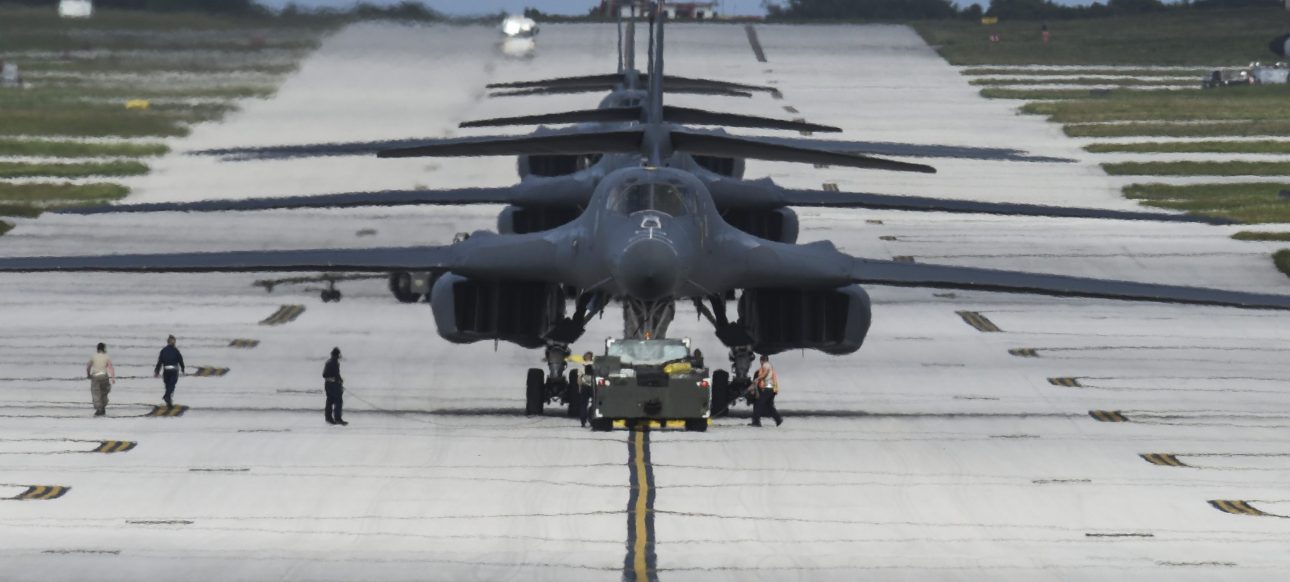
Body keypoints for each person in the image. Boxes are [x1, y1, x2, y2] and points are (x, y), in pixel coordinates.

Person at [749, 354, 782, 427]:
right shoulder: (770, 367)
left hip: (767, 388)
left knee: (758, 404)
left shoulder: (765, 367)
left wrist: (756, 384)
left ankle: (756, 422)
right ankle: (778, 419)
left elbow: (762, 377)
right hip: (772, 388)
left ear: (761, 361)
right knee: (769, 405)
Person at [153, 335, 185, 407]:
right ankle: (167, 397)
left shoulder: (163, 350)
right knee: (171, 386)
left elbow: (160, 362)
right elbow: (180, 360)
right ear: (173, 342)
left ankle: (169, 402)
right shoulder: (176, 350)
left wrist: (157, 371)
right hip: (173, 370)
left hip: (166, 370)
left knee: (168, 386)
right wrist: (183, 368)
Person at [86, 342, 115, 417]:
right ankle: (103, 407)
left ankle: (99, 409)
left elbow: (88, 366)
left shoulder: (93, 356)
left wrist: (88, 374)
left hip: (95, 376)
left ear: (97, 349)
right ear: (104, 349)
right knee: (104, 392)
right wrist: (112, 378)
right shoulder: (106, 357)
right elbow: (111, 368)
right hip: (104, 376)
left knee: (96, 393)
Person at [322, 347, 347, 426]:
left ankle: (329, 418)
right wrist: (338, 380)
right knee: (338, 401)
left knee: (330, 401)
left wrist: (339, 380)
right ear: (336, 355)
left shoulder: (330, 362)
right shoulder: (333, 363)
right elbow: (329, 374)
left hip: (329, 384)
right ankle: (337, 418)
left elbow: (325, 375)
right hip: (333, 385)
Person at [579, 351, 596, 427]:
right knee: (594, 402)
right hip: (593, 383)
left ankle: (583, 420)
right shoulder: (595, 365)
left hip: (585, 382)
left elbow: (579, 378)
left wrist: (580, 387)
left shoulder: (582, 365)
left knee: (583, 403)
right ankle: (591, 417)